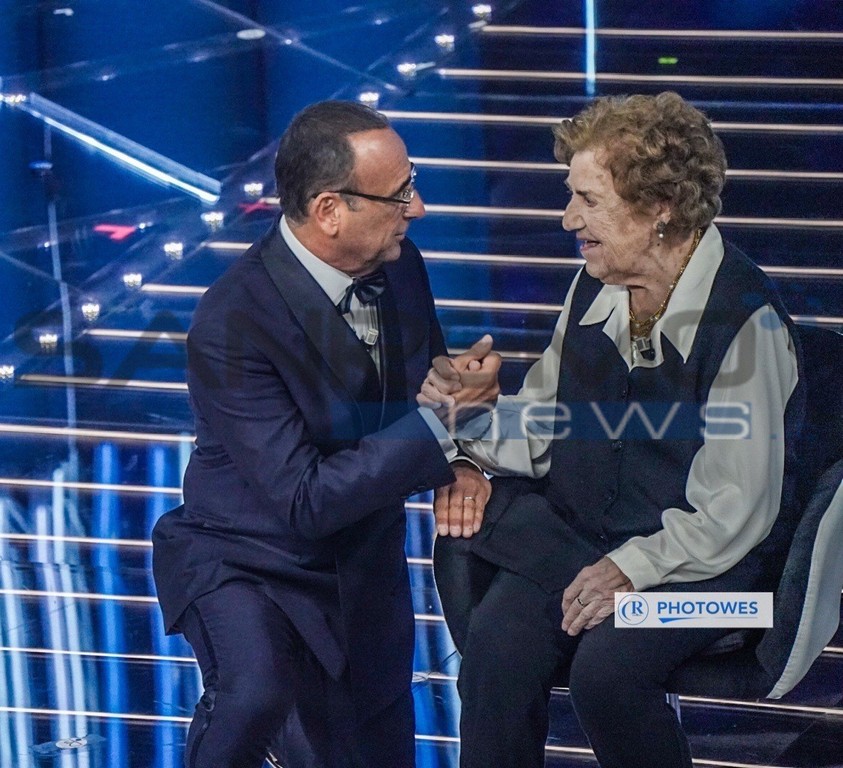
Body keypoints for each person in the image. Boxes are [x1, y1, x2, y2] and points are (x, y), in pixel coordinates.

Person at [420, 91, 805, 768]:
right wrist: (465, 422)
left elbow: (733, 513)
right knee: (495, 654)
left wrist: (630, 568)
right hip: (581, 543)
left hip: (716, 584)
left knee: (608, 674)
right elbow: (546, 429)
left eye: (588, 200)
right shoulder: (593, 287)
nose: (568, 218)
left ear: (659, 209)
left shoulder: (747, 325)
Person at [151, 100, 489, 768]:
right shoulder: (233, 322)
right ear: (329, 209)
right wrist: (439, 427)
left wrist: (464, 448)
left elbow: (431, 387)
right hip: (249, 557)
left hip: (363, 559)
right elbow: (303, 498)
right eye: (400, 195)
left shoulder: (400, 265)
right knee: (254, 695)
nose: (418, 209)